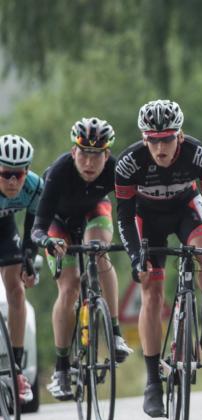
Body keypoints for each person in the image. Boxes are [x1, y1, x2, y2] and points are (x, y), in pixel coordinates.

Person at [115, 100, 202, 417]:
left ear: (180, 135)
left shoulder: (197, 154)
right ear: (144, 138)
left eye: (167, 139)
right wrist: (137, 258)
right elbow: (123, 217)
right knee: (151, 289)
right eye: (153, 140)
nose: (160, 147)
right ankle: (152, 382)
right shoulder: (129, 163)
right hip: (147, 220)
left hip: (185, 210)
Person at [31, 119, 133, 400]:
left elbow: (131, 207)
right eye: (84, 153)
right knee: (70, 286)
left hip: (93, 213)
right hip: (58, 223)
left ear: (107, 155)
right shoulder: (59, 171)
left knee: (99, 252)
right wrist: (47, 242)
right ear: (73, 151)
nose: (90, 162)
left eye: (97, 154)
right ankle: (62, 368)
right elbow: (38, 226)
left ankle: (114, 333)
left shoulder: (115, 171)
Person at [0, 134, 42, 404]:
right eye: (6, 175)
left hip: (5, 230)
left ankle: (15, 369)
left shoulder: (36, 186)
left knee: (16, 289)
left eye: (19, 174)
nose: (13, 181)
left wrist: (29, 259)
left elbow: (34, 228)